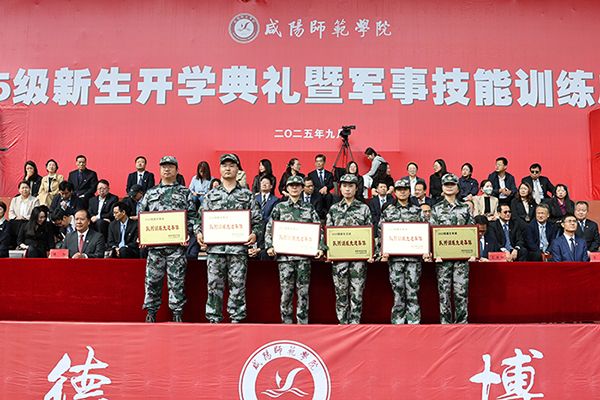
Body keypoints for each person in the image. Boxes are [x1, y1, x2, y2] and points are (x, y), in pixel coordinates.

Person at [196, 154, 261, 324]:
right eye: (225, 165)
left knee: (238, 286)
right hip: (215, 251)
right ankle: (214, 320)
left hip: (238, 251)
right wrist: (199, 233)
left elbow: (257, 221)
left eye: (232, 165)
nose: (228, 168)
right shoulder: (211, 195)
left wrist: (255, 234)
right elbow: (199, 220)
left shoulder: (247, 195)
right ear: (219, 169)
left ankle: (236, 319)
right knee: (214, 286)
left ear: (238, 169)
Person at [140, 156, 197, 323]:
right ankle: (151, 313)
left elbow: (192, 217)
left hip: (176, 248)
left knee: (177, 282)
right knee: (152, 282)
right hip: (155, 248)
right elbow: (143, 216)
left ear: (177, 170)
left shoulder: (185, 192)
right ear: (159, 170)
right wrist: (143, 236)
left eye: (171, 166)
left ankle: (177, 313)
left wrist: (186, 233)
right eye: (164, 166)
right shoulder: (150, 193)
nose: (167, 169)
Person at [265, 175, 324, 324]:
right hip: (285, 259)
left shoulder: (309, 208)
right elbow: (270, 228)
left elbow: (318, 229)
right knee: (286, 292)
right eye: (292, 185)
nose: (295, 188)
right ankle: (286, 323)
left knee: (303, 292)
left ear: (302, 188)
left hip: (303, 258)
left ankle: (302, 322)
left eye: (298, 185)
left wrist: (320, 247)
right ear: (287, 188)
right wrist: (269, 246)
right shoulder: (280, 207)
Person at [326, 174, 374, 324]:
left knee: (357, 292)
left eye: (351, 186)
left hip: (358, 259)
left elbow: (370, 232)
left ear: (356, 188)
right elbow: (327, 233)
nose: (347, 189)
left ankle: (355, 324)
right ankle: (342, 323)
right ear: (340, 188)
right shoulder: (334, 209)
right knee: (341, 292)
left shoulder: (364, 208)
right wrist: (327, 251)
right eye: (344, 186)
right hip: (339, 259)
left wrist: (371, 252)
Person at [379, 178, 427, 324]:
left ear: (409, 191)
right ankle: (398, 322)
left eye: (405, 189)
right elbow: (381, 232)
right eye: (399, 189)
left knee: (413, 291)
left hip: (414, 259)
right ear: (395, 192)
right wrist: (383, 250)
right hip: (395, 259)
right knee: (398, 291)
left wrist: (426, 249)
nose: (402, 192)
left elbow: (425, 231)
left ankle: (414, 321)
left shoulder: (417, 210)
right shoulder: (389, 211)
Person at [430, 173, 474, 324]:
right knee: (444, 293)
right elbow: (431, 232)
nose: (449, 187)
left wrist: (472, 252)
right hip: (442, 259)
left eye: (452, 184)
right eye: (446, 185)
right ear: (442, 188)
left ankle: (462, 324)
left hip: (461, 259)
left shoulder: (465, 208)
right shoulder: (436, 209)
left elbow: (471, 231)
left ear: (457, 188)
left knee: (461, 292)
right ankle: (446, 325)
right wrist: (435, 252)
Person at [9, 181, 40, 247]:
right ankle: (13, 244)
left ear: (30, 189)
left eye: (26, 188)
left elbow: (36, 213)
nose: (24, 190)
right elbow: (11, 212)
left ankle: (19, 243)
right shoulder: (15, 200)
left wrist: (24, 217)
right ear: (19, 190)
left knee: (22, 224)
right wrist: (16, 217)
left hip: (28, 221)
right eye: (22, 188)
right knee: (10, 224)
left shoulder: (35, 200)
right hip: (16, 221)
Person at [255, 175, 279, 259]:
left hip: (267, 229)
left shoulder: (275, 200)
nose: (264, 184)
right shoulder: (254, 198)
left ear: (271, 186)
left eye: (267, 183)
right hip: (255, 230)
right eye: (262, 182)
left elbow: (273, 216)